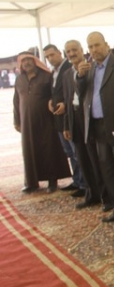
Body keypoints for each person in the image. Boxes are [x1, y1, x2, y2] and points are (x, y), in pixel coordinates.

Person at [77, 32, 114, 223]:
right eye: (90, 46)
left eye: (97, 45)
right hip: (97, 125)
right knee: (107, 169)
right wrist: (80, 77)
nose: (94, 50)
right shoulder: (90, 67)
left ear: (106, 45)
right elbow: (82, 95)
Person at [13, 51, 71, 193]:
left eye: (29, 60)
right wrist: (17, 120)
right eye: (23, 61)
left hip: (46, 121)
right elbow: (16, 101)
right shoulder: (19, 79)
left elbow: (54, 94)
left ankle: (52, 180)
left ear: (35, 61)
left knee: (49, 149)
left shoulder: (46, 76)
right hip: (27, 123)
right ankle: (31, 182)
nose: (26, 63)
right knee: (29, 151)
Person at [62, 40, 106, 210]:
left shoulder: (92, 68)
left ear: (82, 50)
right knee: (82, 159)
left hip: (89, 118)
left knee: (96, 160)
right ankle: (91, 194)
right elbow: (67, 100)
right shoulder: (67, 74)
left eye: (74, 50)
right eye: (68, 51)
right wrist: (66, 125)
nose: (72, 54)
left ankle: (105, 195)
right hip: (74, 119)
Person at [43, 44, 85, 195]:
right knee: (70, 153)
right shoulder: (53, 72)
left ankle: (84, 184)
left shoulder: (69, 67)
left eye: (52, 55)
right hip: (60, 119)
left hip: (71, 116)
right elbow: (56, 92)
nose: (50, 58)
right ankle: (77, 181)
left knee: (77, 152)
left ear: (59, 53)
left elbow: (75, 92)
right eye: (47, 57)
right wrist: (51, 100)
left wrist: (65, 105)